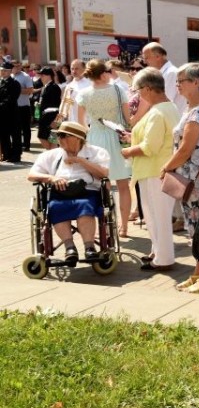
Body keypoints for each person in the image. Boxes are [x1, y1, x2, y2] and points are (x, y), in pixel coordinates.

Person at [163, 63, 199, 294]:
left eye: (181, 80)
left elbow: (186, 149)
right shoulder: (192, 109)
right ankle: (198, 273)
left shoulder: (198, 113)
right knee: (193, 228)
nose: (177, 84)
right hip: (190, 179)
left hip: (195, 180)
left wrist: (166, 167)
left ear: (196, 83)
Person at [122, 68, 182, 271]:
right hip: (156, 170)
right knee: (154, 217)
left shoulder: (158, 111)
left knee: (158, 218)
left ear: (148, 89)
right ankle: (158, 253)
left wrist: (128, 151)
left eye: (138, 90)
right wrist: (132, 138)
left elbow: (150, 147)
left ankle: (163, 258)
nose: (138, 95)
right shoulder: (168, 107)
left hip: (156, 171)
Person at [27, 121, 110, 263]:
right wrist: (52, 178)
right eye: (58, 135)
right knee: (55, 207)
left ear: (78, 138)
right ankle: (69, 247)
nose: (59, 139)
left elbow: (103, 174)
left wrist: (80, 161)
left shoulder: (97, 152)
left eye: (63, 135)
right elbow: (31, 175)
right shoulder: (51, 155)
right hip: (60, 191)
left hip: (87, 191)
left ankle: (89, 247)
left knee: (85, 206)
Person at [76, 59, 133, 238]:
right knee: (123, 185)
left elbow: (81, 122)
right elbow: (128, 118)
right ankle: (124, 227)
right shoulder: (118, 90)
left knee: (101, 186)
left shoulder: (84, 93)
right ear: (102, 74)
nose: (110, 74)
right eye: (108, 71)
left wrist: (88, 135)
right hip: (117, 137)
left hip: (95, 138)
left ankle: (105, 226)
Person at [142, 42, 187, 114]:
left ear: (158, 56)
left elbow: (162, 101)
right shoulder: (162, 73)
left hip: (171, 118)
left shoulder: (171, 73)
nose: (144, 62)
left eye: (146, 58)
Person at [0, 62, 22, 162]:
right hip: (2, 114)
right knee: (4, 135)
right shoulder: (1, 82)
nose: (2, 72)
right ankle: (6, 154)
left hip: (12, 114)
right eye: (1, 70)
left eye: (5, 71)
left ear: (10, 72)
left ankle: (16, 155)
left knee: (15, 135)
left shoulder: (15, 83)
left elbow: (11, 99)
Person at [36, 67, 62, 150]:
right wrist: (39, 104)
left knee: (52, 139)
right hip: (44, 118)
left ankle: (53, 153)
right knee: (43, 137)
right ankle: (51, 153)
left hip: (51, 118)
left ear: (49, 76)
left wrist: (56, 120)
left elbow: (57, 105)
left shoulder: (54, 87)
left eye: (43, 75)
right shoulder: (45, 87)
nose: (41, 77)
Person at [11, 60, 34, 152]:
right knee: (14, 127)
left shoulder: (25, 76)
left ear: (20, 66)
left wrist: (17, 89)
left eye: (18, 66)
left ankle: (27, 145)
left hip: (23, 106)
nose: (16, 68)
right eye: (14, 66)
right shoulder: (10, 76)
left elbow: (30, 90)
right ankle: (17, 144)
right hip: (13, 106)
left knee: (25, 127)